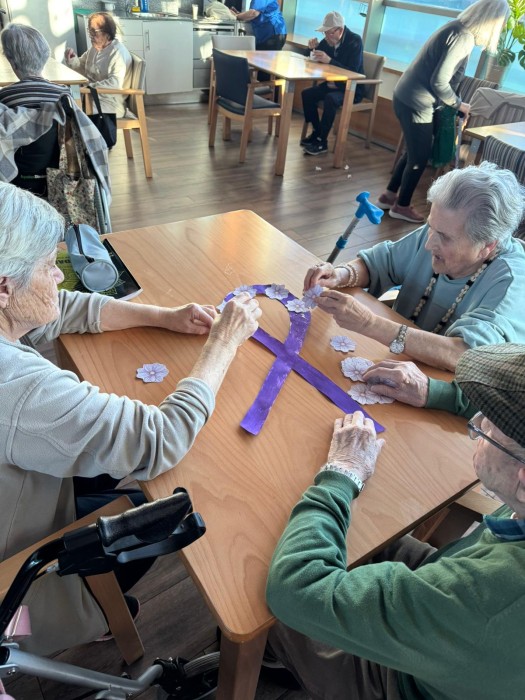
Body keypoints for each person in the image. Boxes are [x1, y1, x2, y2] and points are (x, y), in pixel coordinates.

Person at [0, 182, 261, 655]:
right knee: (161, 513)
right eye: (48, 266)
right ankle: (95, 613)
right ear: (4, 287)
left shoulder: (10, 311)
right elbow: (159, 439)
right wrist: (223, 342)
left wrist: (164, 316)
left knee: (116, 476)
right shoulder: (17, 387)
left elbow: (57, 309)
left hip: (22, 497)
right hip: (15, 574)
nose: (60, 276)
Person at [266, 342, 525, 700]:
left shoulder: (489, 597)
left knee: (260, 586)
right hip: (461, 618)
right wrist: (432, 392)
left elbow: (296, 589)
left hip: (401, 682)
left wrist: (343, 473)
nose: (478, 422)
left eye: (488, 428)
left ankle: (272, 658)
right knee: (358, 533)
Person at [304, 163, 525, 371]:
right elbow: (381, 262)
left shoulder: (511, 282)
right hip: (394, 361)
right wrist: (341, 274)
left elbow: (465, 355)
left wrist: (369, 323)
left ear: (487, 245)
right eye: (430, 226)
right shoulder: (440, 228)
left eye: (445, 237)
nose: (429, 244)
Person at [377, 0, 508, 223]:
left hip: (408, 96)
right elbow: (439, 81)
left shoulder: (455, 28)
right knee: (419, 157)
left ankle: (389, 196)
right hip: (416, 101)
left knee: (413, 152)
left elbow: (447, 79)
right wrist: (459, 105)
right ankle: (402, 206)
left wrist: (455, 105)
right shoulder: (462, 37)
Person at [0, 24, 71, 198]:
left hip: (15, 183)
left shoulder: (5, 98)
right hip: (59, 177)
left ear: (11, 61)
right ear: (45, 55)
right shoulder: (64, 96)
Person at [301, 11, 364, 156]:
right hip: (331, 85)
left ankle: (322, 141)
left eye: (329, 33)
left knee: (330, 99)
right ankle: (317, 132)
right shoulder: (328, 41)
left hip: (350, 89)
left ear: (340, 30)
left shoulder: (355, 41)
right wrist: (310, 48)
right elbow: (308, 58)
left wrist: (329, 61)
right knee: (307, 94)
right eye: (324, 33)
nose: (326, 36)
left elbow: (353, 71)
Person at [64, 12, 132, 118]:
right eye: (89, 31)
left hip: (109, 102)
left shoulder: (117, 53)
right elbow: (82, 66)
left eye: (93, 32)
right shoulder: (95, 48)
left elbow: (115, 83)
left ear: (107, 33)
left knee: (73, 109)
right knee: (64, 100)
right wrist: (72, 60)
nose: (90, 36)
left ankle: (80, 128)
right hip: (90, 95)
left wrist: (89, 87)